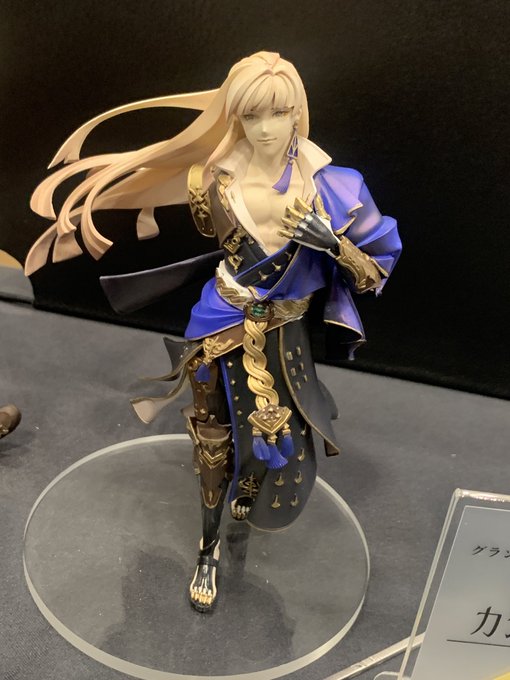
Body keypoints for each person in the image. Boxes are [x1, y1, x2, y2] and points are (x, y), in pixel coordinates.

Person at [25, 52, 401, 611]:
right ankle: (208, 547)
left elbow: (374, 275)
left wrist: (333, 243)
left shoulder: (337, 187)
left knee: (278, 425)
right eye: (252, 115)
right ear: (236, 117)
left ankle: (248, 492)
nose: (267, 128)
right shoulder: (213, 177)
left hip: (285, 331)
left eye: (279, 113)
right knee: (211, 433)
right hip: (218, 319)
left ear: (298, 112)